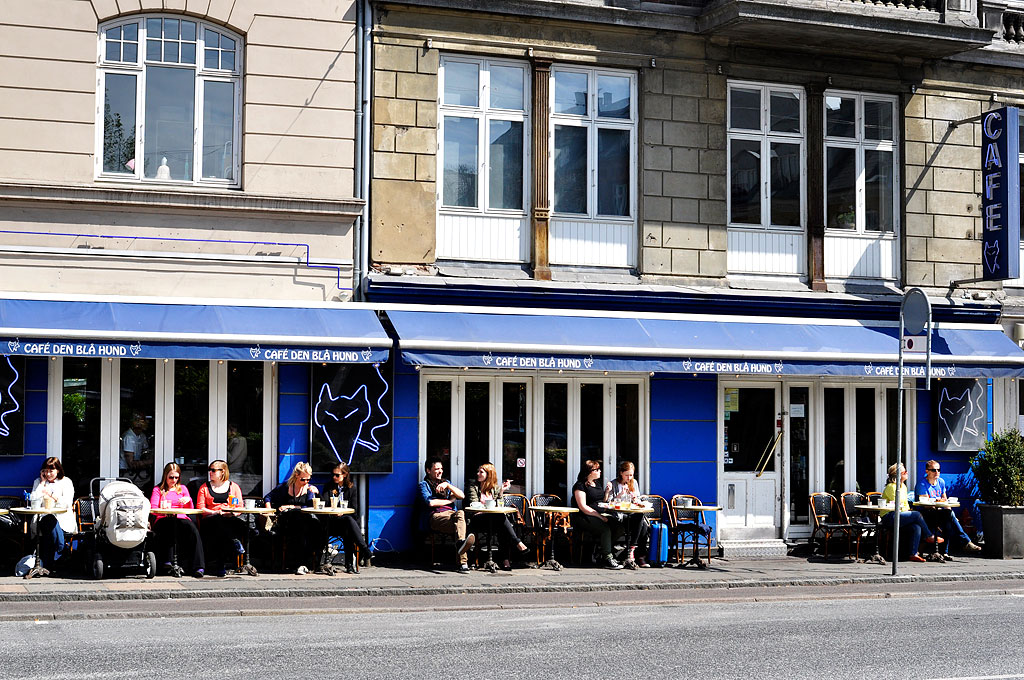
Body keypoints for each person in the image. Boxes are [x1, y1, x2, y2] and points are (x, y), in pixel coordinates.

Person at [465, 462, 529, 570]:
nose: (478, 474)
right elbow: (474, 503)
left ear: (489, 474)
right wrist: (488, 506)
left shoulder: (495, 488)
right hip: (477, 519)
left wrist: (501, 492)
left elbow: (500, 504)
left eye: (481, 472)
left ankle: (505, 559)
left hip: (493, 520)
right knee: (501, 519)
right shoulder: (473, 486)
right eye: (478, 471)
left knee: (502, 525)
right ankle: (516, 543)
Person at [265, 461, 322, 575]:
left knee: (308, 527)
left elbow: (310, 506)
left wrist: (292, 506)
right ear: (296, 476)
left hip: (303, 522)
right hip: (286, 522)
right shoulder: (285, 487)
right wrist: (269, 512)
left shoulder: (309, 489)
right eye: (303, 479)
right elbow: (267, 497)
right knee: (299, 524)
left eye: (308, 480)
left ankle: (304, 563)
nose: (306, 482)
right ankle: (301, 564)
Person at [915, 460, 982, 555]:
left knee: (949, 518)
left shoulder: (941, 482)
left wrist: (953, 516)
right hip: (925, 514)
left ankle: (945, 552)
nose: (937, 472)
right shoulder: (922, 484)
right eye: (934, 470)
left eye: (939, 470)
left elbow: (944, 499)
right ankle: (965, 542)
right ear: (927, 471)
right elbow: (926, 504)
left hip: (938, 512)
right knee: (948, 516)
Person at [150, 462, 205, 577]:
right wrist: (163, 506)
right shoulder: (158, 490)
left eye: (176, 477)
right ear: (165, 476)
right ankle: (168, 561)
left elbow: (189, 510)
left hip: (180, 517)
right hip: (163, 518)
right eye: (171, 477)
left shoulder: (183, 489)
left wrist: (188, 500)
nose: (174, 480)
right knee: (168, 524)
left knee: (193, 530)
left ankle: (199, 566)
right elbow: (153, 509)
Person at [418, 457, 472, 573]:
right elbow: (431, 502)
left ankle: (461, 544)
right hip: (436, 516)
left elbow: (461, 496)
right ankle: (463, 562)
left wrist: (448, 486)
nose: (440, 471)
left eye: (441, 468)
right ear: (428, 470)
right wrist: (450, 501)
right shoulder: (424, 485)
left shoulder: (445, 483)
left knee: (461, 514)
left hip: (451, 516)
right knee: (461, 527)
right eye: (437, 469)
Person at [881, 463, 944, 562]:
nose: (907, 473)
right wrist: (910, 514)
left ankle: (913, 553)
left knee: (916, 527)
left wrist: (909, 513)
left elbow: (905, 505)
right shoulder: (892, 487)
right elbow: (898, 505)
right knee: (917, 514)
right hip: (889, 517)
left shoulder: (903, 487)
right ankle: (928, 536)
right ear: (898, 474)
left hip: (900, 515)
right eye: (904, 472)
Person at [196, 459, 247, 577]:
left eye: (213, 470)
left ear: (222, 472)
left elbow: (239, 507)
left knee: (227, 525)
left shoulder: (233, 487)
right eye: (210, 470)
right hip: (211, 519)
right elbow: (201, 508)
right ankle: (234, 543)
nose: (210, 472)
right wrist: (215, 512)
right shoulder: (204, 487)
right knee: (219, 523)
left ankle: (221, 565)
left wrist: (232, 513)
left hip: (229, 518)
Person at [572, 459, 623, 570]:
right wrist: (600, 517)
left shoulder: (597, 483)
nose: (600, 471)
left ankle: (601, 549)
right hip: (584, 516)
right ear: (590, 472)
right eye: (597, 469)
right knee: (605, 529)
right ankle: (607, 558)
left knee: (619, 526)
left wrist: (607, 493)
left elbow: (601, 502)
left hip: (600, 513)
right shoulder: (580, 486)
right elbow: (583, 507)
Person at [321, 462, 370, 573]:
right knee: (348, 524)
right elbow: (324, 503)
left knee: (348, 526)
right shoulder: (328, 487)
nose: (334, 477)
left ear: (345, 475)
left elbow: (354, 509)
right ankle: (363, 549)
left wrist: (343, 513)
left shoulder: (351, 488)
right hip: (332, 523)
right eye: (333, 474)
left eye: (337, 475)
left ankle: (349, 565)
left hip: (346, 523)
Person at [28, 457, 75, 571]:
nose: (48, 474)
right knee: (48, 520)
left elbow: (68, 503)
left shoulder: (66, 482)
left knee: (50, 527)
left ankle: (50, 561)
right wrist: (42, 483)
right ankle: (62, 549)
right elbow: (33, 500)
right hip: (43, 517)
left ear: (58, 470)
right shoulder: (38, 482)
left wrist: (53, 496)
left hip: (62, 517)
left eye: (51, 471)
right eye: (45, 471)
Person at [604, 460, 650, 568]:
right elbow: (608, 504)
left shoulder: (634, 483)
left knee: (642, 521)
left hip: (631, 514)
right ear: (621, 473)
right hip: (619, 516)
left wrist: (636, 499)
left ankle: (631, 550)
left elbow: (637, 500)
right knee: (643, 525)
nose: (629, 478)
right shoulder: (613, 484)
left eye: (631, 475)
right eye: (627, 475)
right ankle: (638, 556)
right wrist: (619, 495)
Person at [120, 413, 153, 488]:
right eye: (144, 420)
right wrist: (151, 461)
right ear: (136, 422)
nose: (147, 422)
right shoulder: (129, 437)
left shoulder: (142, 436)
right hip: (126, 473)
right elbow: (131, 464)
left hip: (136, 472)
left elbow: (146, 452)